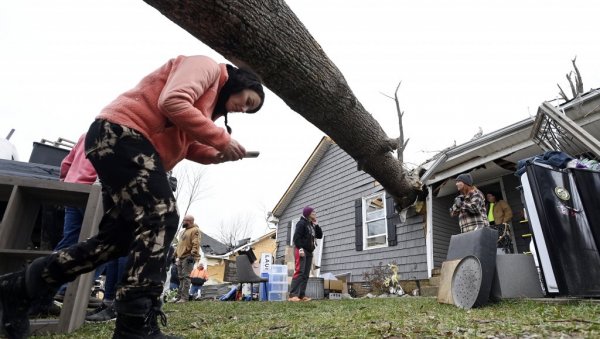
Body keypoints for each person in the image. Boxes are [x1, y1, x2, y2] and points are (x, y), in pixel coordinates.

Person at [0, 55, 265, 339]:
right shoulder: (206, 67)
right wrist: (222, 139)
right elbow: (172, 101)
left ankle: (21, 287)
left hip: (128, 146)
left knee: (116, 241)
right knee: (161, 215)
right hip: (121, 133)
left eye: (248, 112)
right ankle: (134, 325)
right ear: (241, 82)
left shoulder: (207, 109)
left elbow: (187, 146)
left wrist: (217, 155)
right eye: (248, 102)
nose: (241, 110)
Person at [289, 206, 323, 302]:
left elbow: (320, 236)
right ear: (308, 214)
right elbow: (296, 238)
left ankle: (301, 295)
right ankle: (293, 295)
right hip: (301, 250)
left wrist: (316, 225)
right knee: (299, 271)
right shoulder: (301, 223)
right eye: (313, 212)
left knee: (305, 274)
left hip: (309, 251)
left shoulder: (311, 225)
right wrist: (300, 249)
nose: (315, 213)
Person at [173, 215, 201, 303]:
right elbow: (179, 245)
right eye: (183, 220)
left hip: (188, 257)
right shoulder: (182, 232)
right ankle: (179, 297)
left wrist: (192, 255)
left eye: (185, 220)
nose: (183, 222)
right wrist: (174, 255)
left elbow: (196, 243)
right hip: (180, 258)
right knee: (181, 278)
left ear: (190, 221)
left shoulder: (195, 230)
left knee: (186, 277)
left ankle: (184, 298)